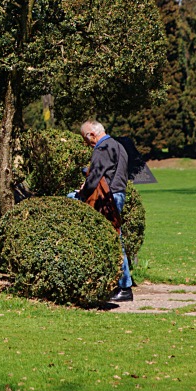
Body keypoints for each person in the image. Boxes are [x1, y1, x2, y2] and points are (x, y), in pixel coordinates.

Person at [68, 120, 133, 303]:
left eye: (85, 139)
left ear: (91, 135)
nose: (86, 143)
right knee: (115, 237)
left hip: (107, 197)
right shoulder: (118, 146)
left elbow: (95, 176)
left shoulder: (102, 148)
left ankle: (124, 286)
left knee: (113, 239)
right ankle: (122, 283)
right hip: (118, 193)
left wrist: (83, 193)